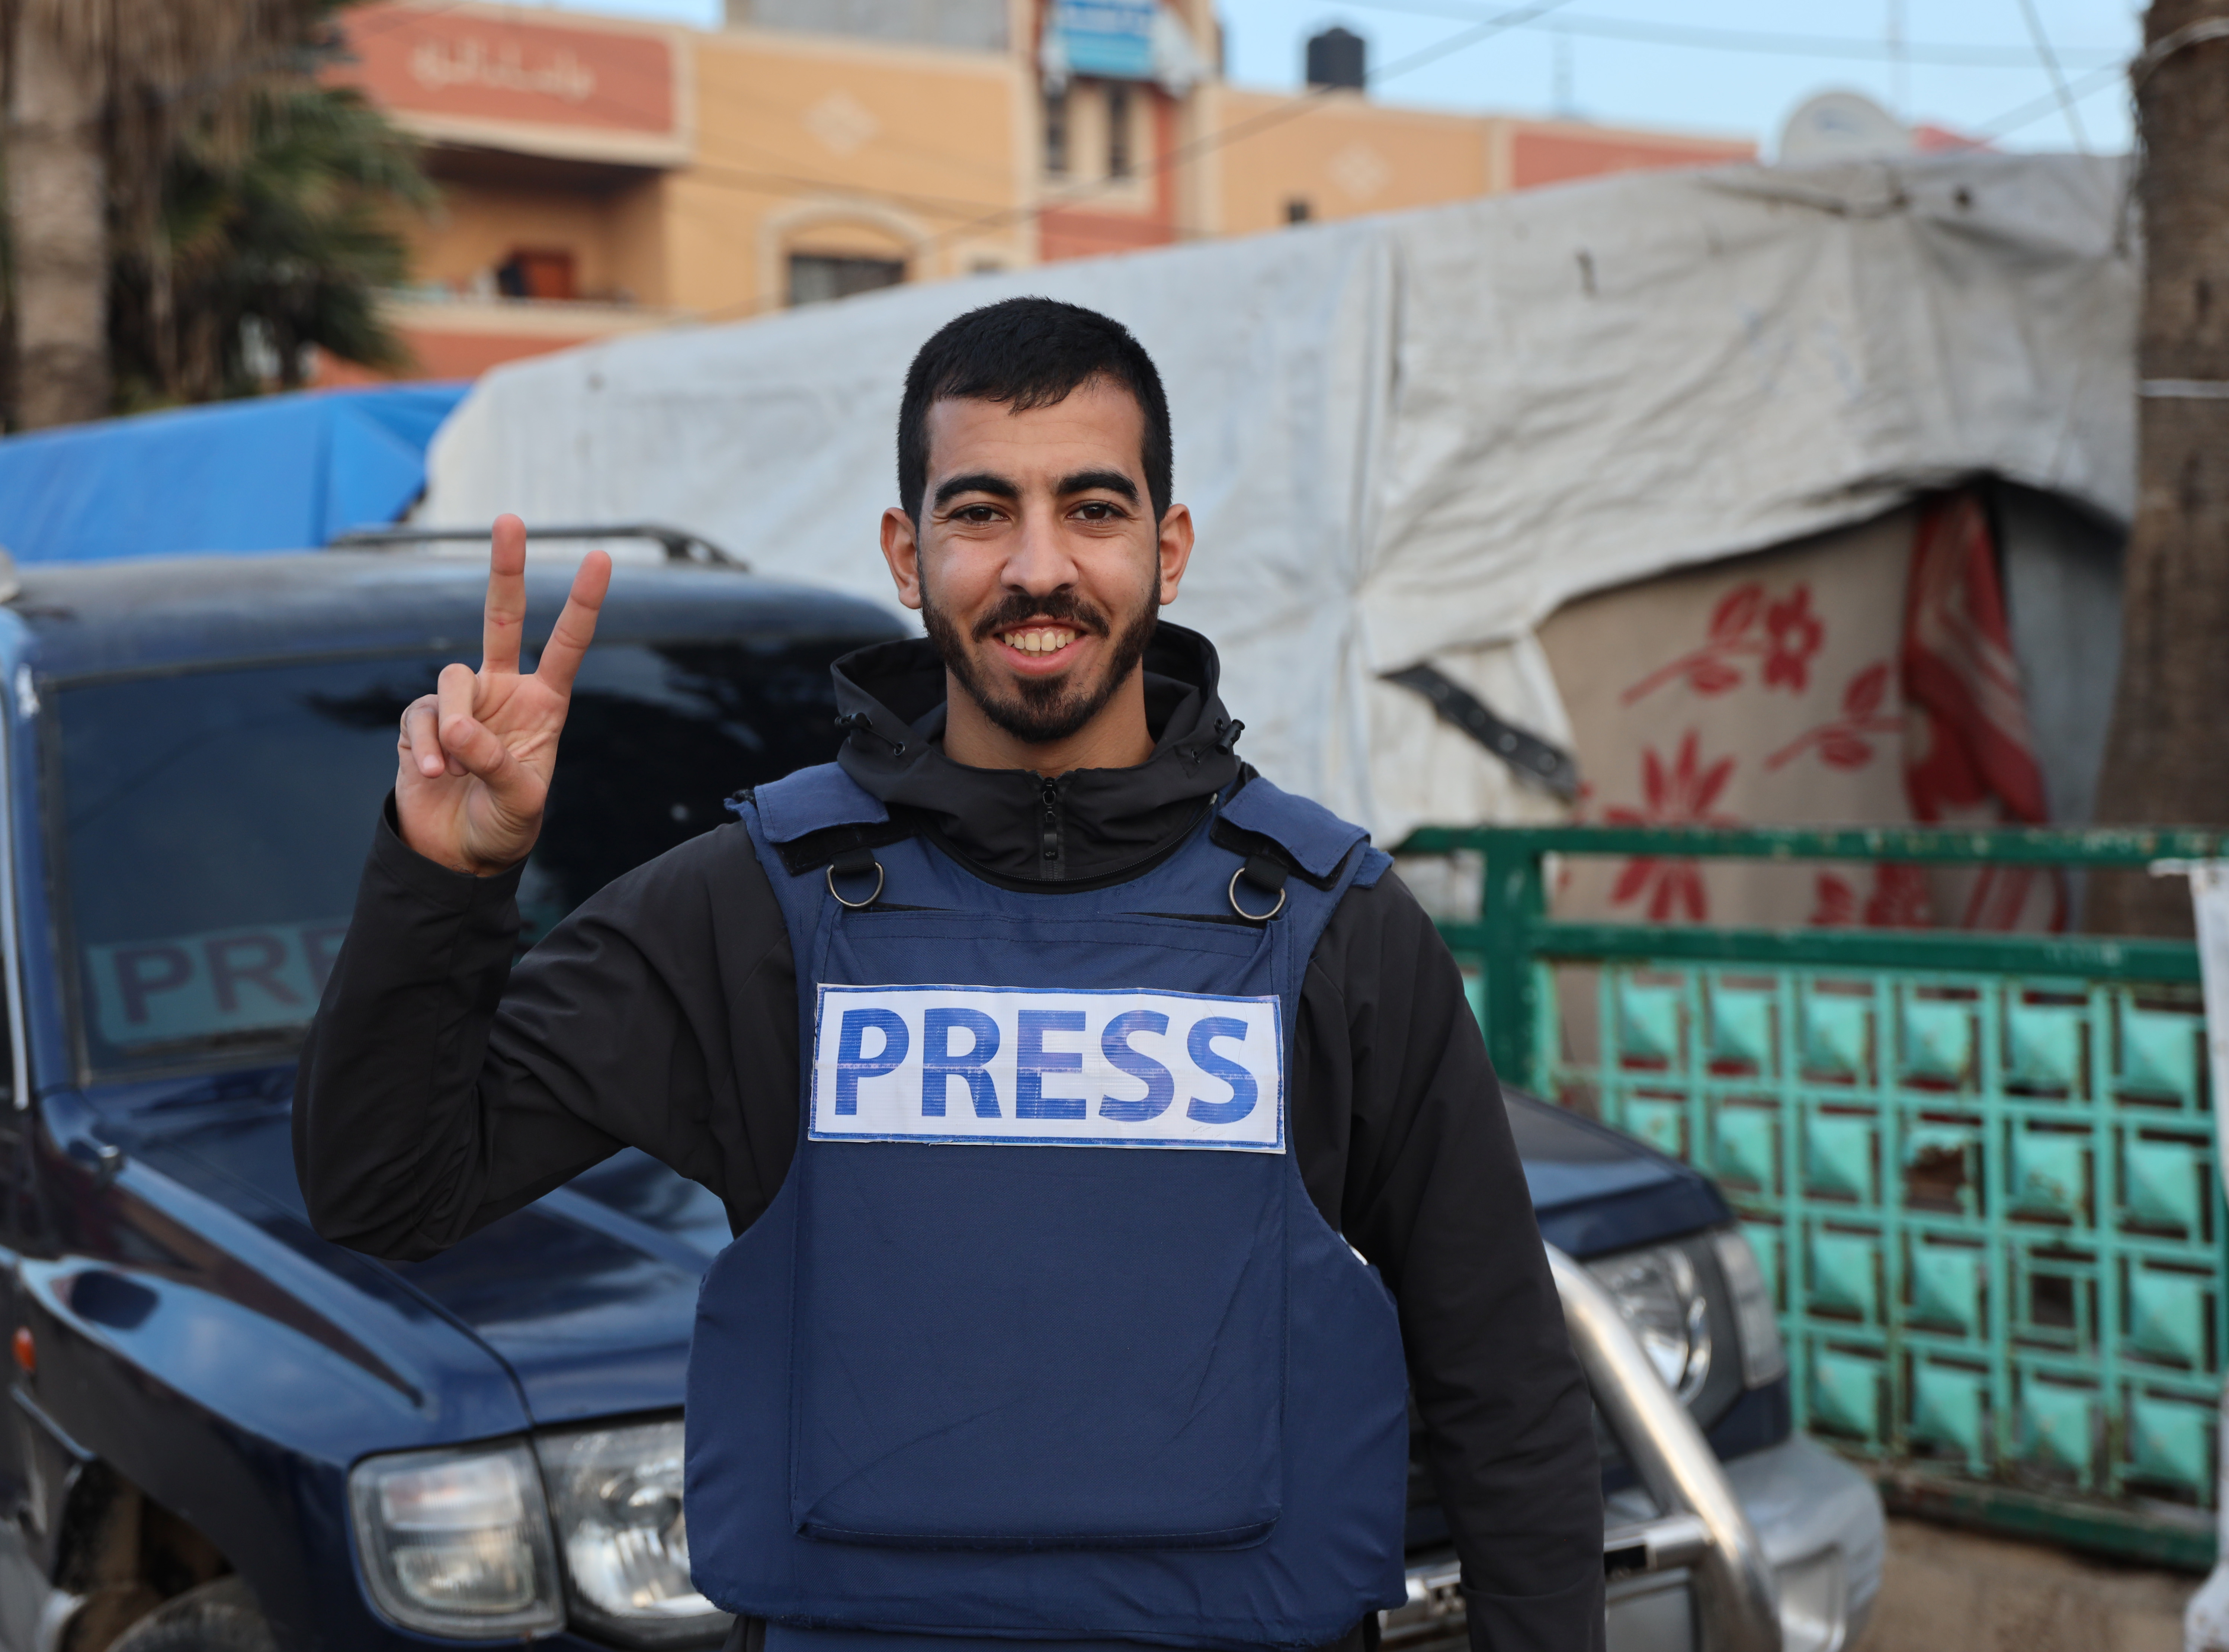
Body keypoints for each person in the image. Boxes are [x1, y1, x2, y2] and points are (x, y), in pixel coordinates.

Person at [295, 297, 1602, 1652]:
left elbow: (1503, 1383)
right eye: (982, 512)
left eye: (1092, 508)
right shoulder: (754, 905)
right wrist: (446, 876)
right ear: (907, 555)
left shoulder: (1338, 924)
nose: (1040, 567)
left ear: (1170, 548)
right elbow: (388, 1186)